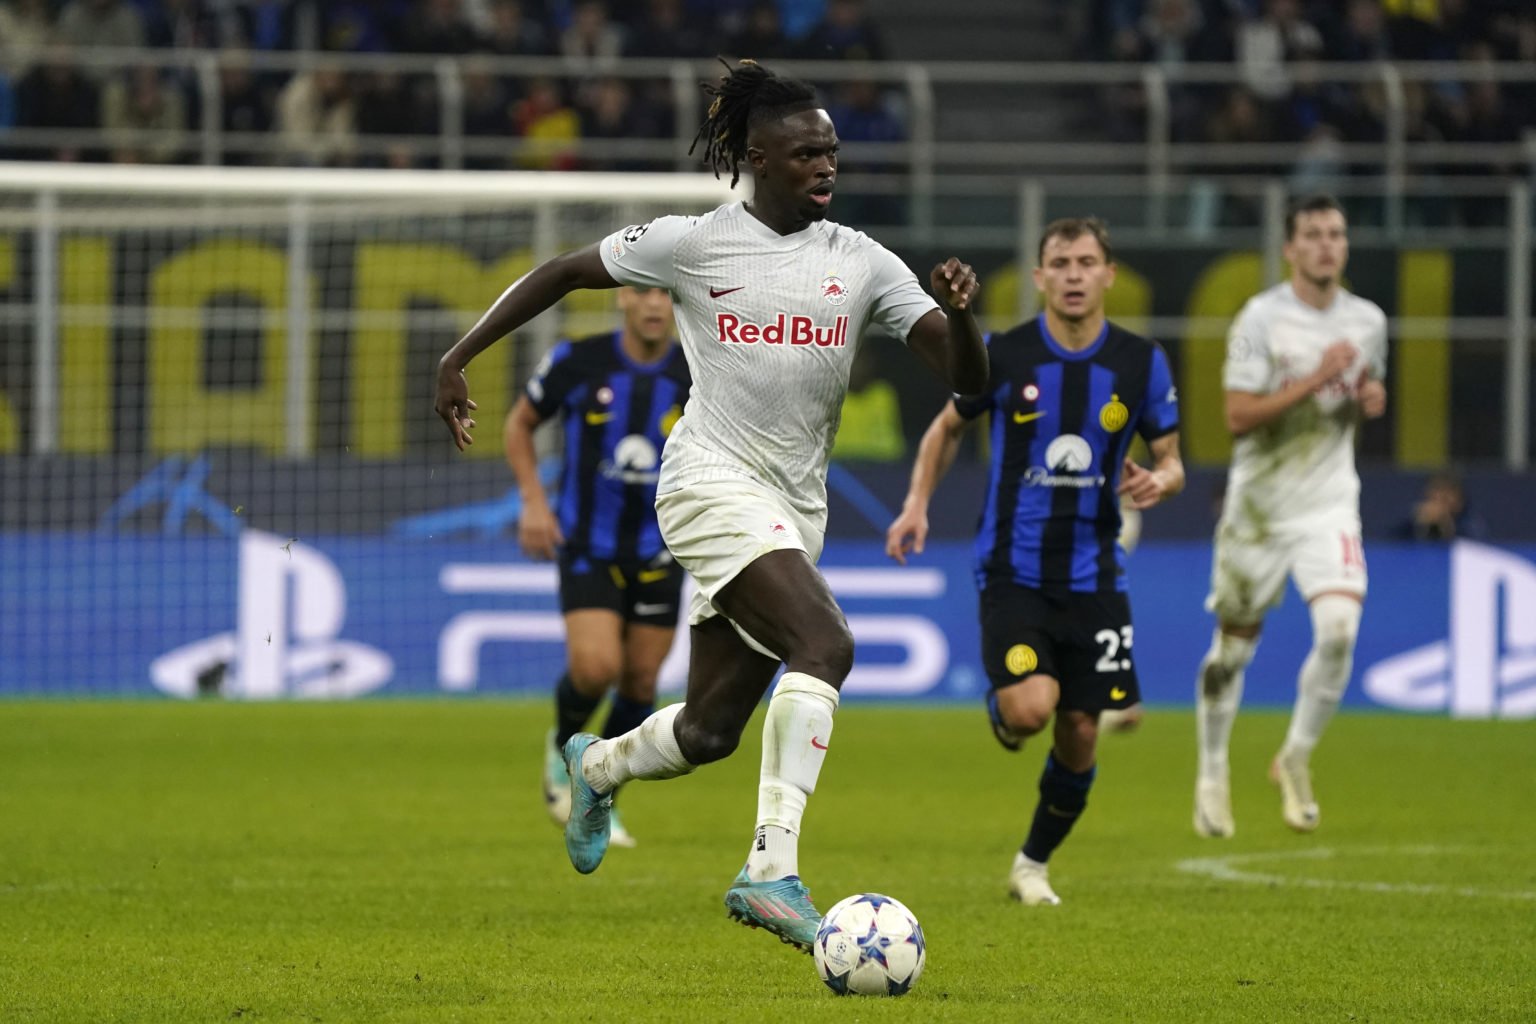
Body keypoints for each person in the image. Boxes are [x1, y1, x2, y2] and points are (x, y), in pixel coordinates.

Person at [434, 59, 987, 951]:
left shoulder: (864, 262)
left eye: (832, 151)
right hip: (706, 484)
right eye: (807, 153)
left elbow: (970, 382)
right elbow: (564, 270)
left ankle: (598, 763)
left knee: (710, 728)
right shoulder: (693, 243)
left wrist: (962, 317)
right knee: (828, 643)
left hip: (791, 510)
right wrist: (458, 357)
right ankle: (772, 871)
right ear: (759, 160)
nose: (826, 166)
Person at [885, 217, 1183, 906]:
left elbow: (1173, 463)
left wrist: (1158, 482)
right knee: (1030, 711)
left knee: (1081, 730)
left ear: (1109, 274)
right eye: (1060, 263)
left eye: (1087, 262)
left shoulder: (1141, 362)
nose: (1074, 274)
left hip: (1097, 575)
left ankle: (1032, 864)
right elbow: (945, 428)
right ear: (1040, 277)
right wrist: (916, 505)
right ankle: (1004, 708)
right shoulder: (1005, 354)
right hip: (1012, 571)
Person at [1194, 194, 1388, 839]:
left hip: (1329, 504)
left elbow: (1360, 396)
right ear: (1291, 248)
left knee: (1338, 632)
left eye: (1337, 233)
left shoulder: (1367, 320)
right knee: (1230, 655)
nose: (1328, 244)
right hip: (1257, 511)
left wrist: (1368, 398)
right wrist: (1316, 378)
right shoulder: (1259, 318)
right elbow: (1236, 417)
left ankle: (1296, 758)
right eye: (1314, 234)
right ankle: (1213, 773)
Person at [506, 285, 691, 851]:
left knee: (639, 682)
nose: (655, 304)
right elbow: (519, 425)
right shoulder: (577, 360)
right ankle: (564, 749)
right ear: (623, 300)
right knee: (595, 668)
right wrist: (534, 502)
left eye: (666, 294)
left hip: (663, 548)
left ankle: (597, 797)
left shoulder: (700, 368)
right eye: (643, 292)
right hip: (587, 543)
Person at [1394, 471, 1484, 542]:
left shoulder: (1470, 524)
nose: (1442, 497)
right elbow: (1390, 547)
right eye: (1438, 489)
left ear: (1460, 500)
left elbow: (1477, 550)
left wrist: (1446, 525)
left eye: (1449, 491)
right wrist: (1419, 527)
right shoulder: (1412, 523)